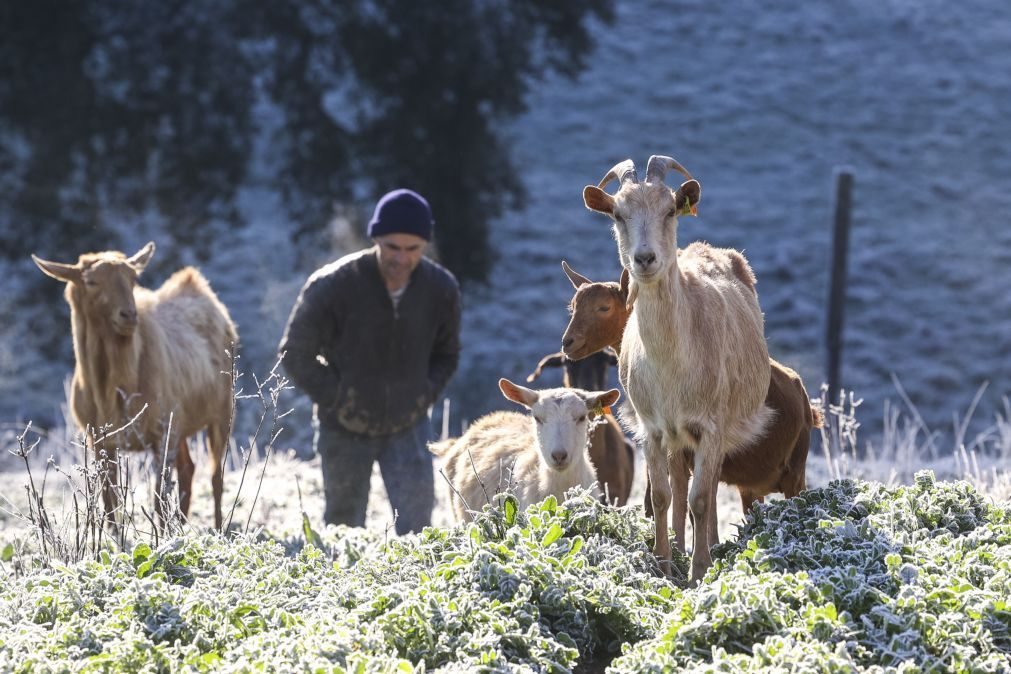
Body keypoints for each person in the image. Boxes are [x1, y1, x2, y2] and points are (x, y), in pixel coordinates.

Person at [279, 189, 461, 534]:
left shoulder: (441, 289)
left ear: (425, 245)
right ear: (376, 238)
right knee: (343, 531)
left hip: (409, 427)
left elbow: (447, 354)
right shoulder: (332, 286)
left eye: (413, 249)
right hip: (343, 429)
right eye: (393, 247)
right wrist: (337, 398)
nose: (402, 258)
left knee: (419, 533)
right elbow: (294, 352)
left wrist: (423, 395)